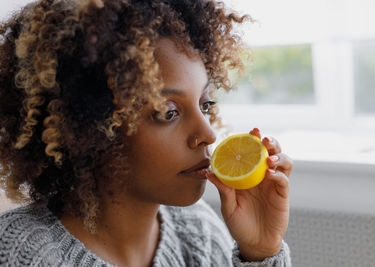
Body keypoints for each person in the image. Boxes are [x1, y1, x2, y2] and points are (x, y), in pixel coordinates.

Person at [0, 0, 293, 266]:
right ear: (88, 129)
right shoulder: (18, 254)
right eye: (168, 112)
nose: (207, 134)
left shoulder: (199, 233)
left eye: (205, 104)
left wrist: (260, 252)